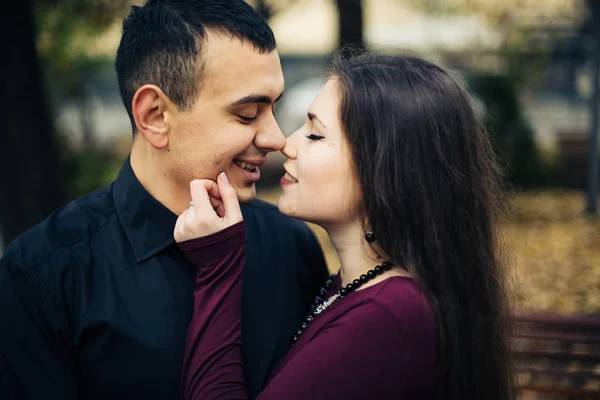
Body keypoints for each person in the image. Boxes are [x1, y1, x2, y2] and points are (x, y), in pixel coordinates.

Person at [0, 1, 328, 399]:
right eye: (246, 114)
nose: (277, 138)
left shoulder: (291, 244)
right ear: (155, 115)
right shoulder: (42, 274)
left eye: (273, 109)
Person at [175, 52, 516, 399]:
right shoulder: (357, 289)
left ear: (383, 167)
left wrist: (217, 270)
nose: (285, 144)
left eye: (314, 135)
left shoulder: (387, 318)